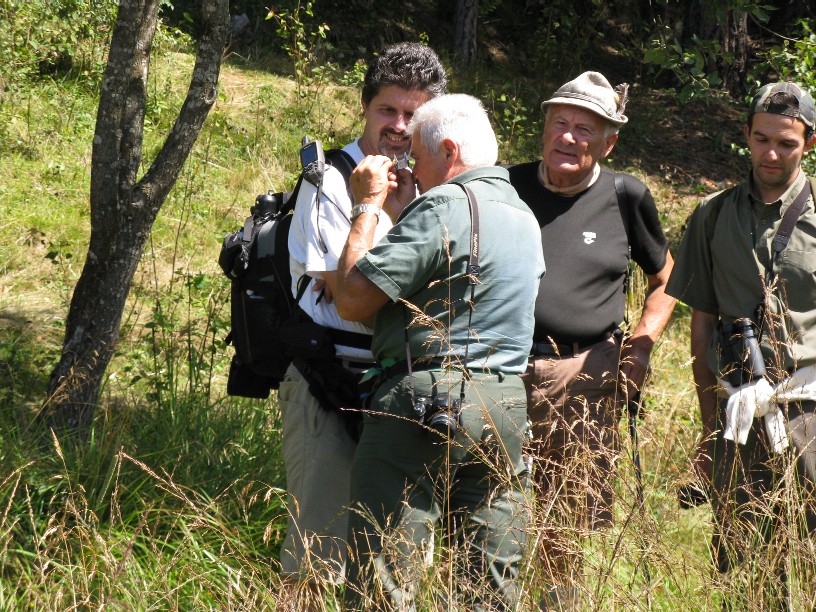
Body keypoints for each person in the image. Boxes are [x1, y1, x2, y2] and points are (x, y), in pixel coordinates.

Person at [329, 93, 545, 609]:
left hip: (426, 401)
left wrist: (367, 207)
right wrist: (411, 213)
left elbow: (353, 299)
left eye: (420, 162)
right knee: (489, 585)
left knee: (382, 576)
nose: (415, 174)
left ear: (448, 151)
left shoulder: (444, 205)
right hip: (506, 407)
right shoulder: (522, 215)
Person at [278, 42, 447, 600]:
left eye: (413, 114)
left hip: (406, 384)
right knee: (314, 557)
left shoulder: (438, 186)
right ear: (365, 108)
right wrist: (373, 209)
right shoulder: (326, 181)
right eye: (387, 110)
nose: (399, 127)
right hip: (332, 377)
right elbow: (348, 294)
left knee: (396, 562)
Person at [507, 71, 676, 602]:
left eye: (586, 128)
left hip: (584, 377)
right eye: (560, 122)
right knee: (487, 508)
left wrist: (642, 344)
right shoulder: (504, 186)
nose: (569, 137)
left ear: (610, 141)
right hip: (498, 370)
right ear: (544, 127)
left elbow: (666, 277)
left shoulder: (625, 195)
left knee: (564, 524)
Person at [667, 81, 816, 606]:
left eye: (786, 143)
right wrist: (709, 429)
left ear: (810, 144)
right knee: (742, 569)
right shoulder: (712, 214)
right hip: (741, 413)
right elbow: (701, 324)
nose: (770, 154)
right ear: (746, 137)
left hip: (811, 408)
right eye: (760, 140)